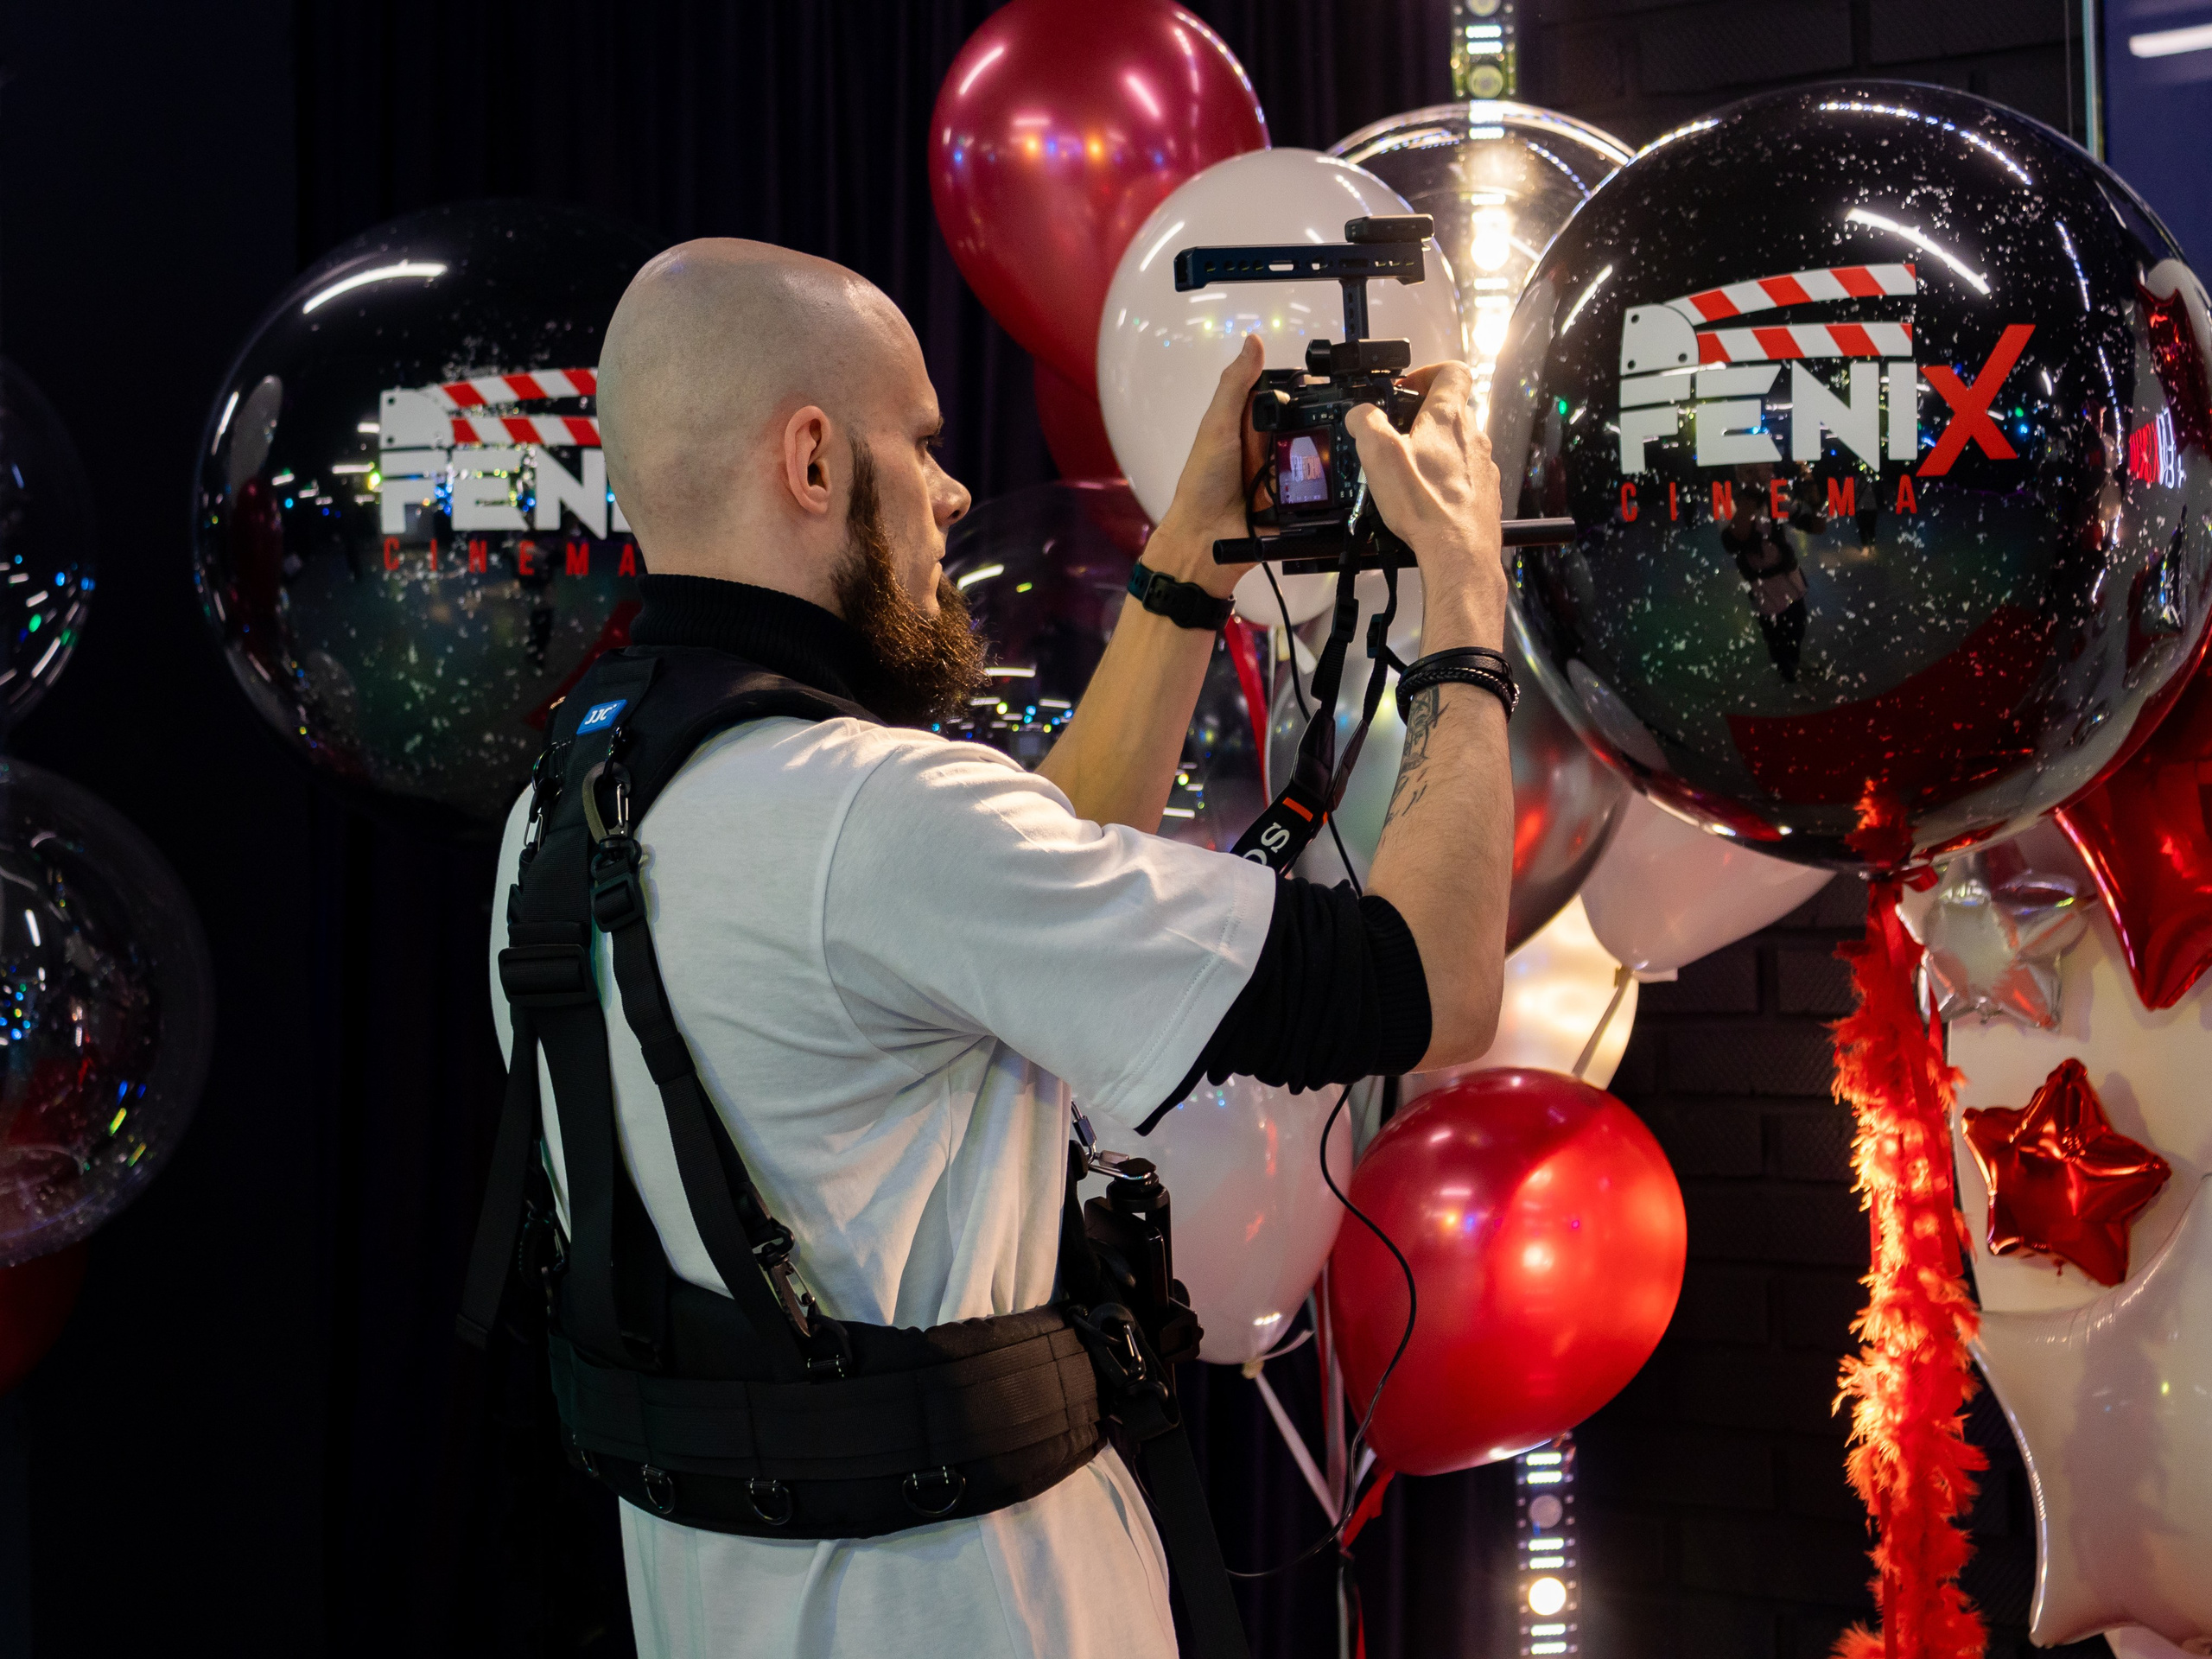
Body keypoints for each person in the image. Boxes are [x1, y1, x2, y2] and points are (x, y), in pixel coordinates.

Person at [487, 238, 1515, 1659]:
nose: (953, 490)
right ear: (811, 462)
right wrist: (1468, 618)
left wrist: (1185, 568)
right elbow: (1434, 984)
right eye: (919, 442)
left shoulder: (567, 803)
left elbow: (1008, 895)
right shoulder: (877, 815)